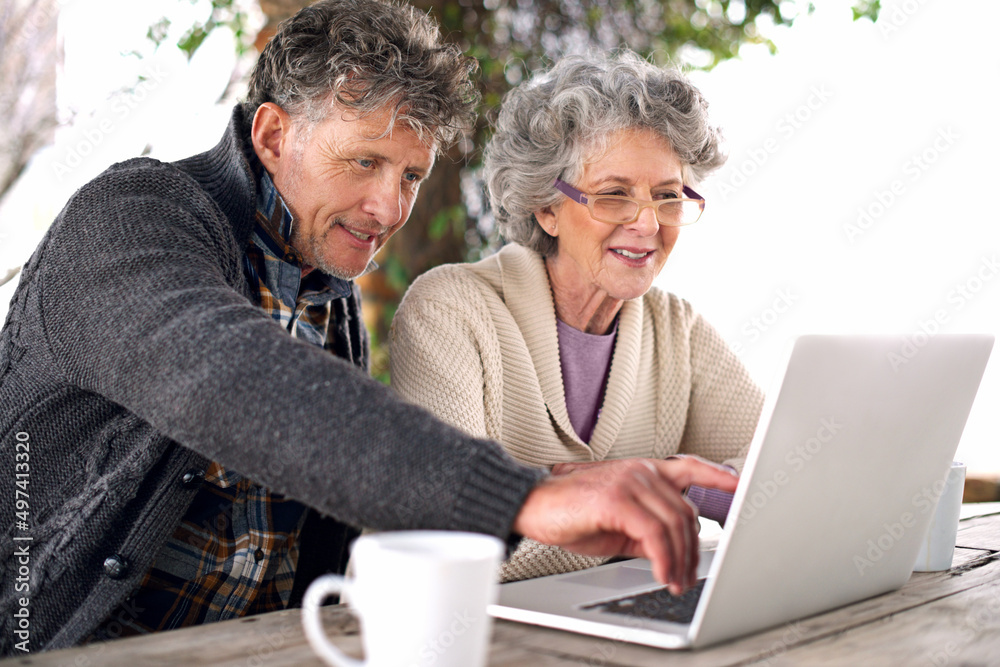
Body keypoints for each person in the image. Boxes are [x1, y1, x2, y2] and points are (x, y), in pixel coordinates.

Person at [0, 1, 738, 655]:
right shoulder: (128, 218)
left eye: (411, 176)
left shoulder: (325, 281)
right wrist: (524, 499)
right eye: (364, 161)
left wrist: (563, 488)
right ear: (272, 135)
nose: (387, 208)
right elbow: (227, 374)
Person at [389, 50, 765, 582]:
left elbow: (785, 473)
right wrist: (622, 513)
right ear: (547, 207)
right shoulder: (451, 311)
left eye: (667, 197)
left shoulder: (676, 328)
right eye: (614, 195)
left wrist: (673, 484)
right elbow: (448, 534)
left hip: (609, 629)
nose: (647, 223)